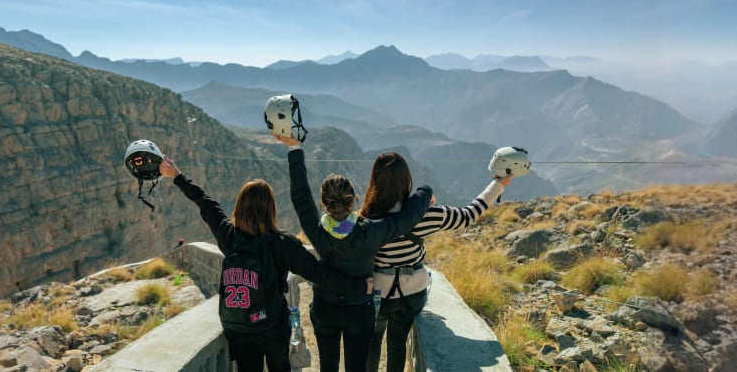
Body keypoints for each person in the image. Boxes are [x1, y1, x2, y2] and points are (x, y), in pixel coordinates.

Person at [160, 154, 368, 372]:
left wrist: (176, 175)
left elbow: (205, 202)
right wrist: (360, 286)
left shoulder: (229, 236)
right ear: (271, 209)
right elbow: (320, 274)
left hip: (238, 328)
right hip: (271, 327)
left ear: (240, 207)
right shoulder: (282, 243)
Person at [280, 134, 433, 372]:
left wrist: (294, 147)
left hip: (325, 308)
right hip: (359, 311)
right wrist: (424, 192)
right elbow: (406, 218)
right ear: (353, 201)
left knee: (328, 367)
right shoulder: (372, 232)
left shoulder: (317, 231)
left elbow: (300, 194)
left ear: (323, 203)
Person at [365, 173, 511, 372]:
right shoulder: (425, 215)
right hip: (412, 295)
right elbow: (469, 214)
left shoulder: (366, 217)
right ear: (406, 181)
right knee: (397, 346)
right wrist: (497, 184)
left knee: (373, 343)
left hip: (379, 295)